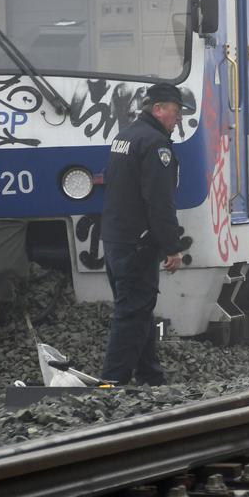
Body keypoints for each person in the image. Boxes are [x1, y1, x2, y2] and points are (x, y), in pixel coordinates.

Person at [99, 82, 193, 386]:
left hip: (115, 238)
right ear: (159, 109)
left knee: (139, 309)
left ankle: (151, 375)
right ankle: (111, 383)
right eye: (176, 112)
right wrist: (172, 247)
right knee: (131, 313)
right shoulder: (155, 145)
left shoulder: (124, 137)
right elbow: (159, 202)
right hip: (137, 243)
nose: (177, 120)